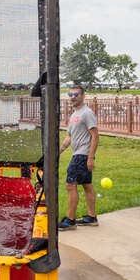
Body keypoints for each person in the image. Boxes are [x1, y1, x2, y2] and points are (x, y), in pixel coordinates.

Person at [59, 85, 100, 229]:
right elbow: (69, 136)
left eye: (76, 94)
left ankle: (70, 220)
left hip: (82, 155)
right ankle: (91, 217)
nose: (73, 97)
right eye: (70, 94)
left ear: (83, 96)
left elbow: (95, 136)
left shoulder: (87, 113)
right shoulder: (74, 114)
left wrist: (90, 157)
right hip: (78, 154)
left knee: (70, 185)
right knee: (87, 185)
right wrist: (59, 151)